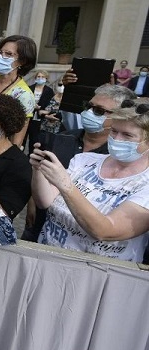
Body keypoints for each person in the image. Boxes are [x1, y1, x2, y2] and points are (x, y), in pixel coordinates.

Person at [31, 97, 149, 262]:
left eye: (127, 135)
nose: (117, 139)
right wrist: (40, 170)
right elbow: (45, 202)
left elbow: (104, 231)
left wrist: (67, 187)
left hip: (95, 274)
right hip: (47, 258)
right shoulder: (85, 160)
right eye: (114, 131)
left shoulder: (145, 183)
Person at [21, 83, 136, 242]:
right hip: (43, 228)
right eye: (89, 106)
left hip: (85, 241)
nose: (89, 113)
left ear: (119, 117)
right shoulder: (62, 138)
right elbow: (41, 175)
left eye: (99, 111)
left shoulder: (120, 157)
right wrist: (32, 201)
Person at [26, 70, 55, 153]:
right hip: (28, 116)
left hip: (40, 119)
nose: (40, 78)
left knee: (34, 139)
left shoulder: (49, 91)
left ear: (46, 78)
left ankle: (31, 155)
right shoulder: (30, 88)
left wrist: (41, 108)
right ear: (35, 78)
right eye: (38, 76)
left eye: (43, 77)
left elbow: (51, 105)